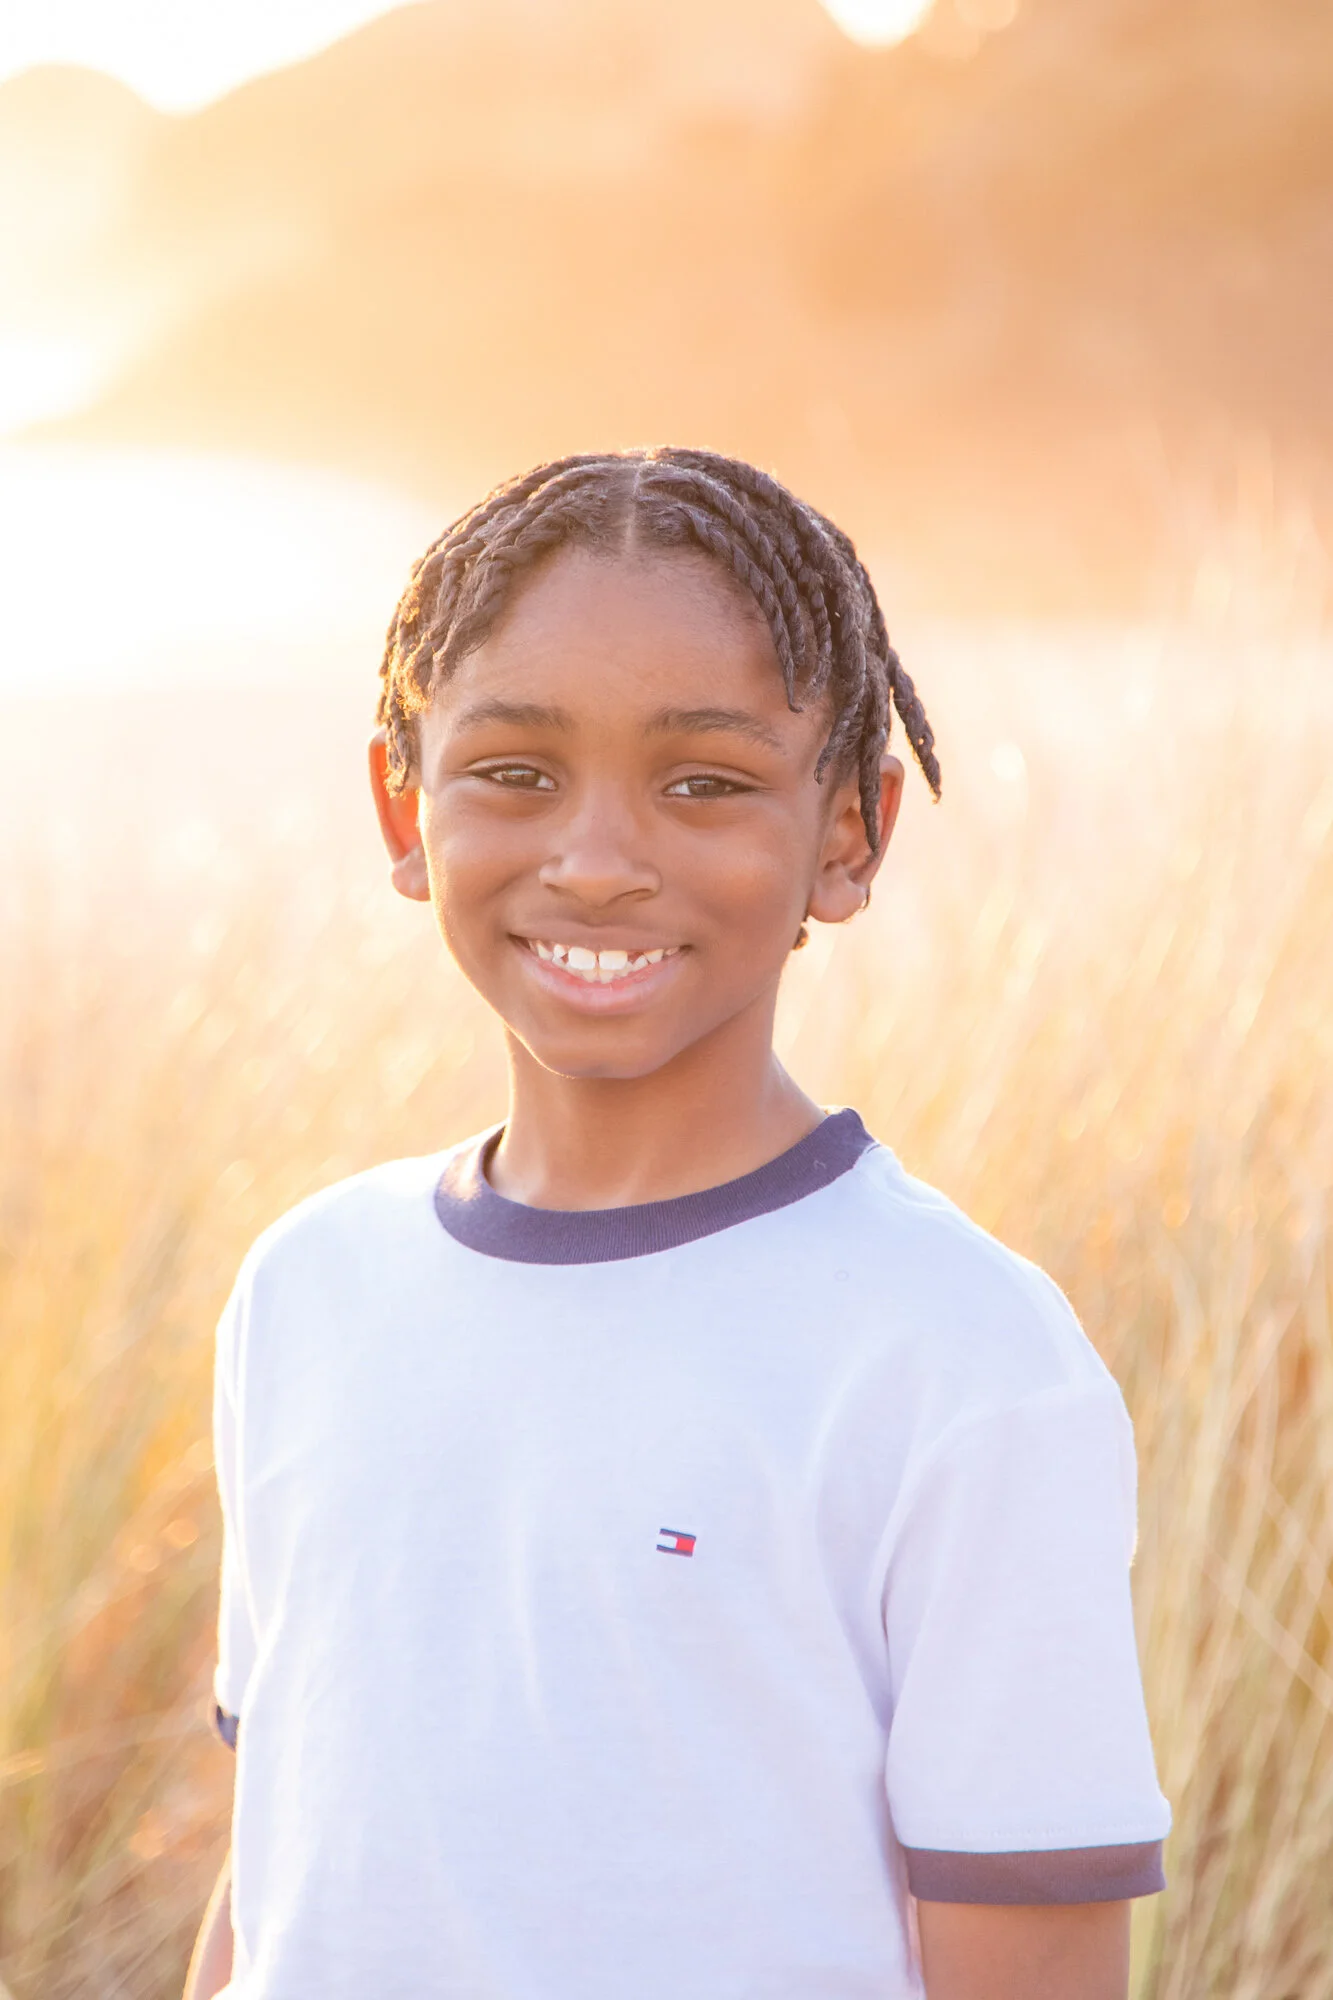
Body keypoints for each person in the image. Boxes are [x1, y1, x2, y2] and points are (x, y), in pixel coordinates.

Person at [184, 448, 1170, 2000]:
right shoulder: (307, 1288)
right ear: (402, 803)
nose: (595, 860)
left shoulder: (964, 1362)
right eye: (515, 771)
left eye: (703, 781)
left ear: (849, 834)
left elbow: (1032, 1961)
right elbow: (285, 1870)